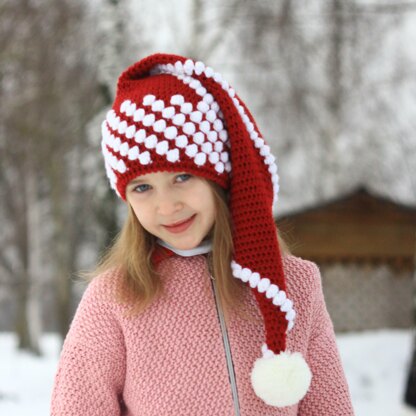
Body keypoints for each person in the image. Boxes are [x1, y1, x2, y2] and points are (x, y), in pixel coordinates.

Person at [50, 53, 355, 415]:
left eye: (182, 177)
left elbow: (329, 408)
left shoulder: (295, 288)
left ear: (220, 177)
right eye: (142, 188)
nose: (166, 206)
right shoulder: (117, 298)